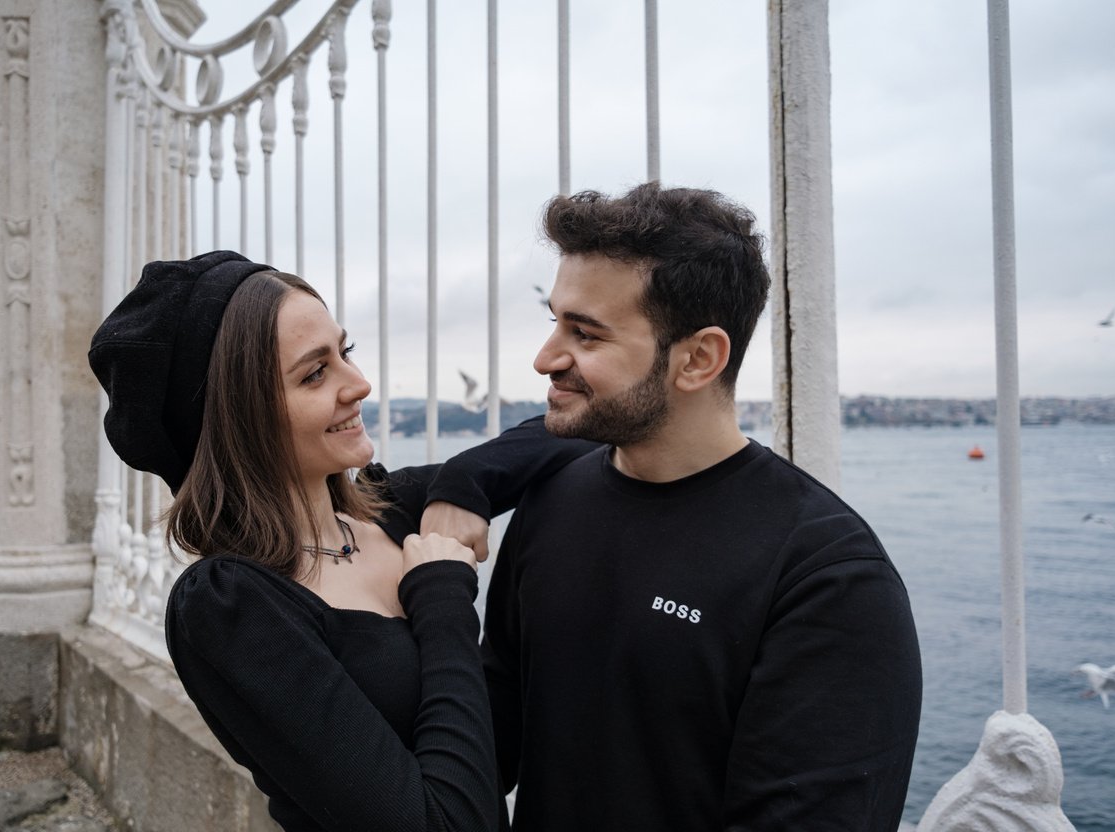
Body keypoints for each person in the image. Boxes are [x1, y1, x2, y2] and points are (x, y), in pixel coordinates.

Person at [88, 251, 592, 832]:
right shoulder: (232, 606)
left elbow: (571, 436)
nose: (360, 384)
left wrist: (466, 481)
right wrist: (443, 602)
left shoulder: (391, 509)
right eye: (314, 373)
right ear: (238, 418)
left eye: (344, 352)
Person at [474, 184, 923, 830]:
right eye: (555, 322)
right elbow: (487, 744)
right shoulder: (552, 502)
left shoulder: (827, 579)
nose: (546, 358)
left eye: (586, 334)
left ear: (699, 359)